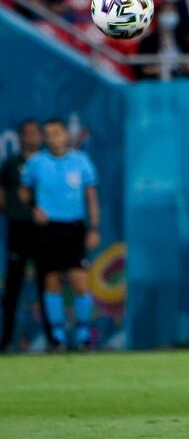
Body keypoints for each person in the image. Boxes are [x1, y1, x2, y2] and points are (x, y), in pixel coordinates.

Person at [19, 119, 100, 350]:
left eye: (57, 133)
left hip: (73, 228)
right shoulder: (37, 163)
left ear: (66, 135)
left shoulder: (81, 161)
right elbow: (24, 192)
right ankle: (57, 338)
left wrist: (94, 227)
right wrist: (34, 206)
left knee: (79, 281)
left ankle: (84, 335)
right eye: (48, 134)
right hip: (47, 229)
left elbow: (91, 197)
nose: (52, 137)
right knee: (51, 282)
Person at [0, 121, 55, 352]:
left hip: (43, 230)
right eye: (27, 133)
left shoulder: (48, 163)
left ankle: (54, 339)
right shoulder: (11, 163)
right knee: (13, 286)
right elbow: (3, 192)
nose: (32, 136)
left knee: (48, 284)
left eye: (35, 132)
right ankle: (6, 339)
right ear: (20, 136)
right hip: (19, 227)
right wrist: (12, 209)